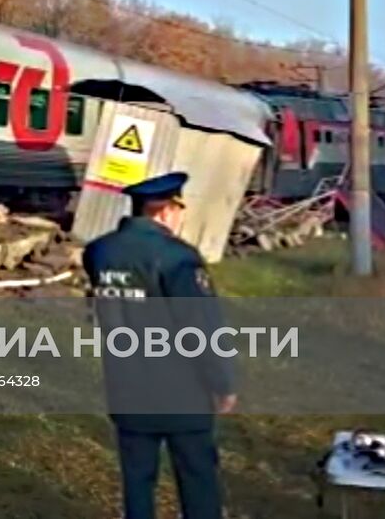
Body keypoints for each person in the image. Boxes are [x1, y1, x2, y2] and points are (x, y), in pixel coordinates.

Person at [84, 171, 233, 519]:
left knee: (137, 483)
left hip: (126, 387)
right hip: (183, 392)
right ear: (166, 211)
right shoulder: (178, 257)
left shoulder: (99, 252)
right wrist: (221, 383)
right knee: (197, 482)